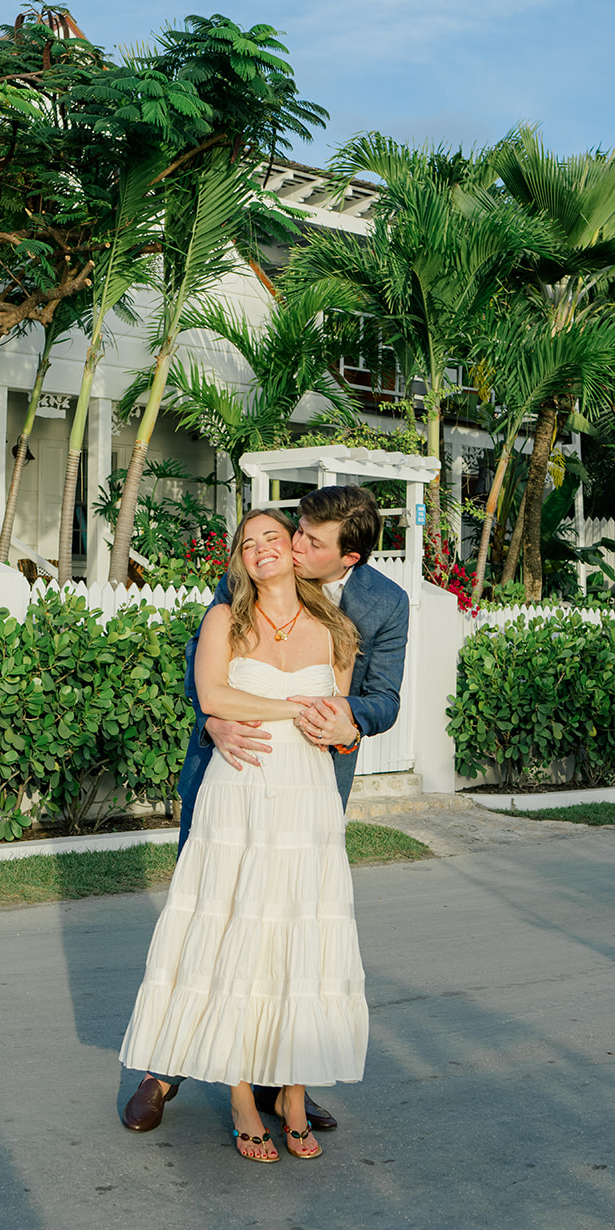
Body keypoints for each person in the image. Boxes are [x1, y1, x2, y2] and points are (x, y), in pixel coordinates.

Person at [120, 485, 409, 1138]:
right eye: (295, 529)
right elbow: (208, 675)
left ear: (349, 558)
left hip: (309, 781)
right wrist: (215, 721)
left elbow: (381, 699)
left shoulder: (379, 606)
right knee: (215, 916)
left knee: (288, 932)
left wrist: (348, 721)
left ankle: (282, 1080)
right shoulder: (243, 589)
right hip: (236, 774)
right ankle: (163, 1069)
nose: (293, 542)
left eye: (310, 538)